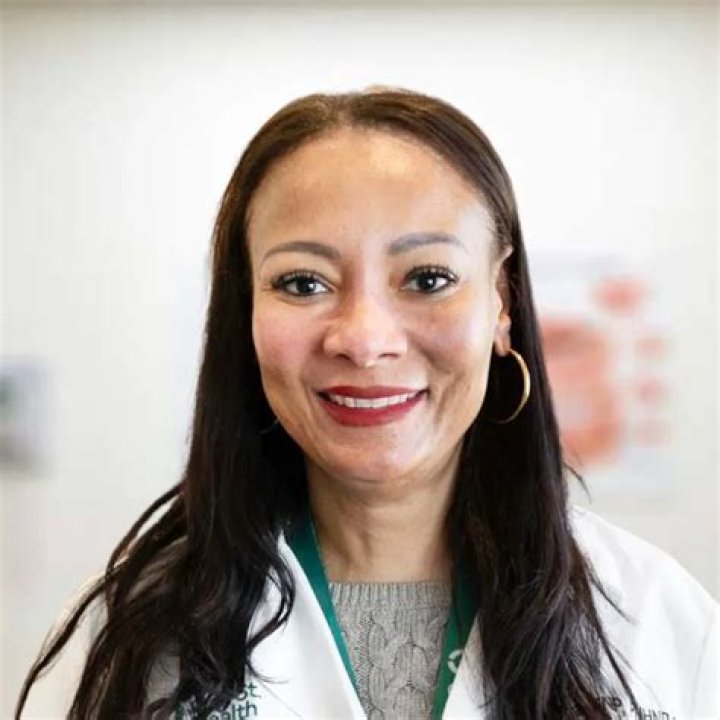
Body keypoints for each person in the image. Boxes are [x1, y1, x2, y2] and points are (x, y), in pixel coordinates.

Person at [16, 89, 718, 720]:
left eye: (428, 278)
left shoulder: (658, 624)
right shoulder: (127, 633)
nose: (364, 339)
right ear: (245, 312)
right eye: (303, 283)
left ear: (501, 302)